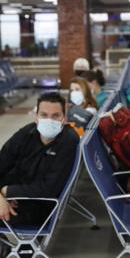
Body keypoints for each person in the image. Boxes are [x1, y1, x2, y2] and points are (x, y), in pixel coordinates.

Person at [0, 92, 79, 227]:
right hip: (13, 196)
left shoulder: (68, 141)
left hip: (39, 206)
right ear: (36, 117)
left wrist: (6, 191)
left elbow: (49, 189)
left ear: (64, 119)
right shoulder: (26, 133)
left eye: (56, 116)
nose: (49, 120)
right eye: (44, 115)